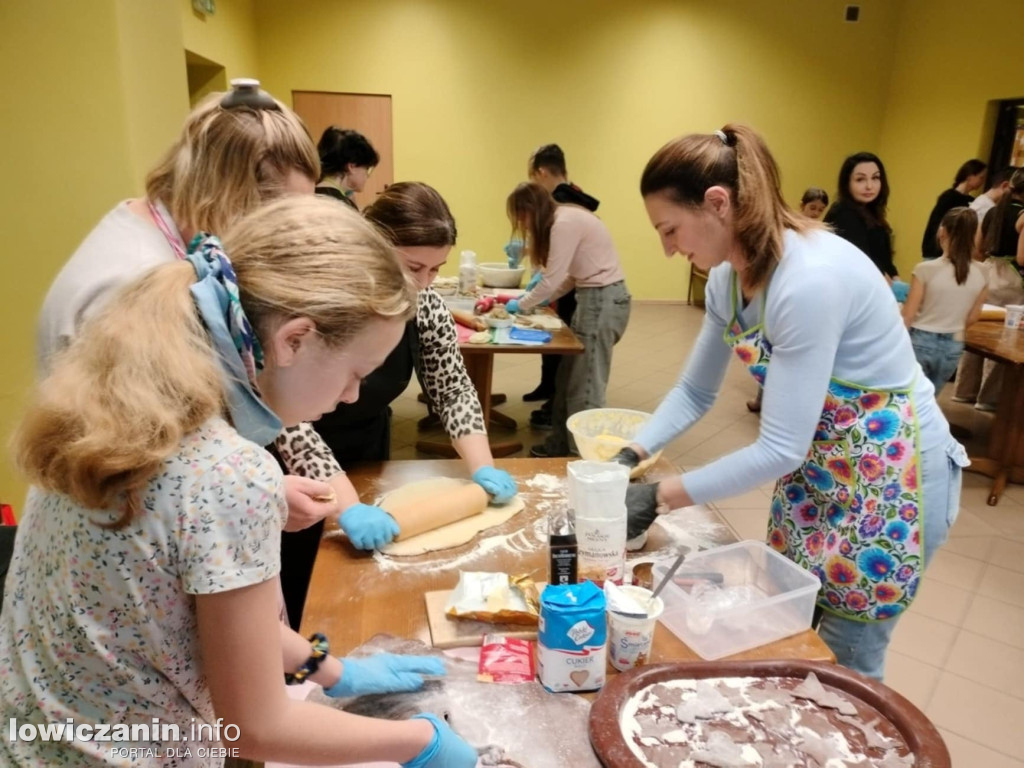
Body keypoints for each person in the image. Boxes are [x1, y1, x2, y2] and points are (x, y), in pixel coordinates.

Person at [2, 196, 477, 767]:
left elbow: (188, 608)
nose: (353, 397)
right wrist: (419, 742)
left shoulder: (116, 400)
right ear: (293, 339)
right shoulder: (232, 473)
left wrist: (330, 669)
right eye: (356, 374)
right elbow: (254, 728)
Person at [33, 81, 400, 631]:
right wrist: (251, 490)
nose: (292, 240)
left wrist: (267, 488)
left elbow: (239, 407)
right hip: (117, 603)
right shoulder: (130, 287)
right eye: (281, 218)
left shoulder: (182, 256)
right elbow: (145, 479)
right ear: (231, 196)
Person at [615, 125, 966, 682]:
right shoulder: (726, 281)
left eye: (670, 229)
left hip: (893, 481)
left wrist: (661, 497)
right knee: (788, 629)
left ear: (718, 203)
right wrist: (629, 456)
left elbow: (779, 446)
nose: (668, 246)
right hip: (822, 470)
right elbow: (695, 391)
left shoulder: (809, 280)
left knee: (846, 662)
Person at [305, 181, 517, 587]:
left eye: (436, 268)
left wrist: (483, 467)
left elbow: (452, 389)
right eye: (412, 267)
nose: (424, 282)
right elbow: (289, 417)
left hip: (368, 444)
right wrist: (346, 504)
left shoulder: (426, 305)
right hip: (300, 460)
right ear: (371, 247)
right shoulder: (325, 303)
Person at [504, 182, 631, 458]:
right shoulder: (564, 219)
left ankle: (584, 459)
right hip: (593, 298)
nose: (522, 225)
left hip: (602, 300)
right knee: (567, 378)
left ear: (530, 210)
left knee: (585, 386)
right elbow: (568, 279)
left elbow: (550, 279)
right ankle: (560, 445)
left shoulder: (563, 223)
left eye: (521, 217)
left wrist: (521, 304)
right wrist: (531, 300)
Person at [521, 144, 600, 420]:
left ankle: (556, 402)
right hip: (566, 278)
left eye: (534, 177)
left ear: (541, 172)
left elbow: (560, 247)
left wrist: (534, 291)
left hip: (574, 283)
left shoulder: (564, 201)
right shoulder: (571, 195)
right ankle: (548, 388)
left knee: (563, 340)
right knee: (554, 334)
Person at [746, 187, 830, 412]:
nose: (815, 213)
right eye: (812, 208)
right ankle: (762, 399)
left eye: (820, 210)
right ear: (802, 204)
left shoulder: (824, 233)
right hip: (779, 293)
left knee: (791, 357)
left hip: (806, 298)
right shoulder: (786, 229)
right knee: (769, 352)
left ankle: (782, 404)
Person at [952, 168, 1024, 410]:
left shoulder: (994, 212)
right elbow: (1023, 257)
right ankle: (987, 398)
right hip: (1011, 279)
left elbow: (977, 249)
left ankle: (963, 391)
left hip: (988, 272)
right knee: (1004, 338)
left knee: (979, 332)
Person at [902, 207, 987, 394]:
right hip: (954, 343)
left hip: (921, 340)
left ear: (942, 231)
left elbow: (907, 316)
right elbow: (973, 316)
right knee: (930, 400)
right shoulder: (983, 271)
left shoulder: (925, 268)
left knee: (909, 400)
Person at [824, 152, 899, 279]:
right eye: (860, 179)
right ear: (847, 183)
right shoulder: (843, 212)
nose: (869, 186)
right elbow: (860, 261)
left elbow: (885, 260)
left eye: (875, 178)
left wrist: (895, 278)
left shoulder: (872, 212)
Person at [920, 159, 988, 260]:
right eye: (981, 177)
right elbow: (938, 224)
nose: (982, 182)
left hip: (954, 253)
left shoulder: (972, 201)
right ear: (969, 177)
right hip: (937, 251)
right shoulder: (948, 197)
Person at [315, 127, 379, 210]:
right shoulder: (344, 207)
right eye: (367, 168)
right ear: (351, 167)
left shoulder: (308, 194)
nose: (367, 176)